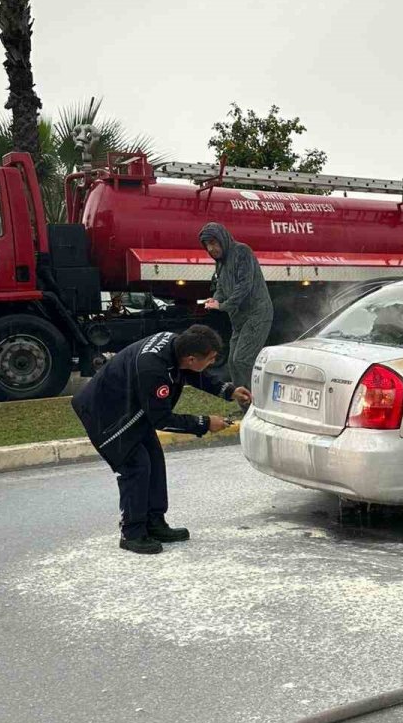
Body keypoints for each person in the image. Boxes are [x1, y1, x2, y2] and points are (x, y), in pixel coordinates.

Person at [72, 325, 251, 555]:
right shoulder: (153, 369)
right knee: (136, 466)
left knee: (154, 461)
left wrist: (229, 391)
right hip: (105, 416)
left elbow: (192, 372)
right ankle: (132, 532)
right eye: (210, 359)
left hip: (132, 409)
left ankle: (155, 523)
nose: (212, 363)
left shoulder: (177, 347)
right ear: (191, 357)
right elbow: (161, 419)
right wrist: (205, 423)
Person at [198, 222, 274, 394]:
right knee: (233, 361)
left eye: (213, 243)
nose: (211, 248)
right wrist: (215, 299)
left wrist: (223, 306)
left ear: (222, 239)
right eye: (207, 245)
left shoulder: (242, 251)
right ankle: (245, 404)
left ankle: (259, 399)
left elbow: (244, 285)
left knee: (243, 359)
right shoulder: (220, 263)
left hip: (257, 314)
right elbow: (221, 288)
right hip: (239, 319)